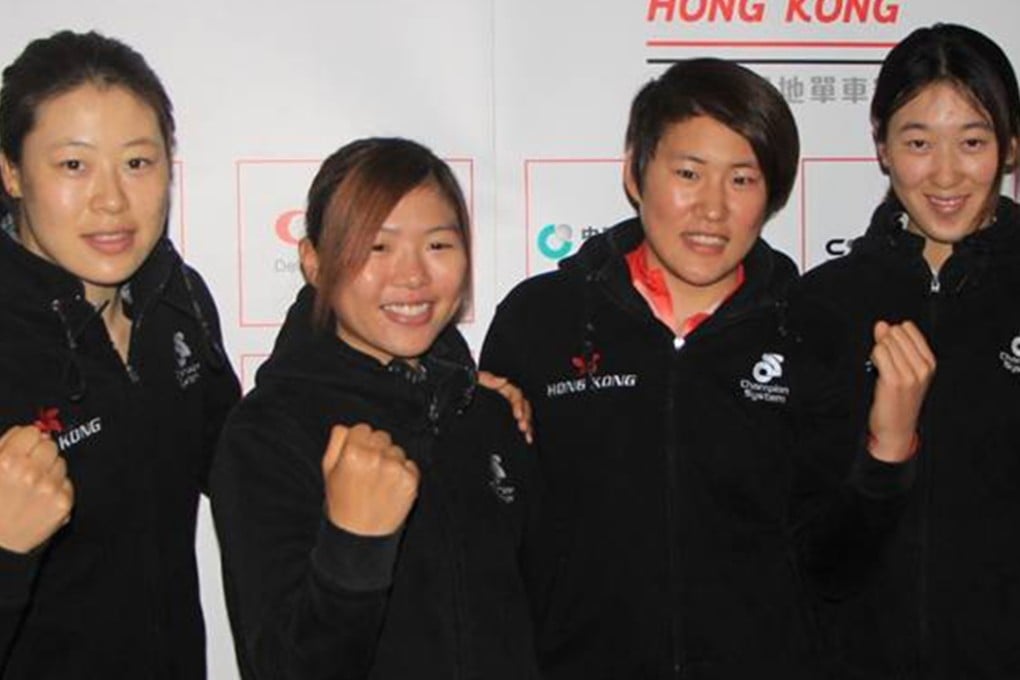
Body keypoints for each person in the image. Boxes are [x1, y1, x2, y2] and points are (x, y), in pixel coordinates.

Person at [481, 58, 934, 678]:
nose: (713, 209)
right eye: (689, 173)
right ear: (635, 171)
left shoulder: (815, 334)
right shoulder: (539, 320)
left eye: (742, 180)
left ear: (771, 195)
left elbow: (836, 567)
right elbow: (500, 541)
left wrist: (888, 451)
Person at [210, 137, 540, 680]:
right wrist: (353, 544)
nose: (412, 276)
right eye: (376, 248)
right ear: (313, 262)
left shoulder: (486, 414)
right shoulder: (269, 433)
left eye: (438, 245)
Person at [0, 30, 240, 678]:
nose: (112, 199)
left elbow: (252, 462)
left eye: (137, 163)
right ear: (11, 171)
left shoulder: (179, 302)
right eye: (73, 165)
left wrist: (437, 393)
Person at [798, 23, 1020, 678]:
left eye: (973, 142)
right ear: (881, 146)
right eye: (919, 142)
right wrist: (886, 452)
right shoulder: (821, 306)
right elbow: (816, 560)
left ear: (1010, 146)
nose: (946, 173)